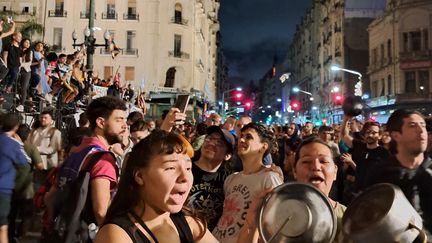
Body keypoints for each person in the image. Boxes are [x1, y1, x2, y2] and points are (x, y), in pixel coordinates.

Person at [95, 130, 218, 242]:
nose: (185, 177)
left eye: (188, 168)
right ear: (140, 176)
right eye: (171, 168)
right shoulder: (115, 235)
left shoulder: (190, 223)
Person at [44, 96, 127, 231]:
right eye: (119, 120)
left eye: (125, 120)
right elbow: (101, 212)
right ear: (100, 122)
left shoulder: (77, 152)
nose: (125, 125)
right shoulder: (103, 159)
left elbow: (50, 198)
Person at [212, 123, 283, 243]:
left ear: (263, 147)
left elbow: (275, 225)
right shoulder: (231, 179)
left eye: (249, 137)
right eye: (241, 136)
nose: (242, 140)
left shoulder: (270, 178)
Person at [366, 109, 432, 234]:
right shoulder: (380, 174)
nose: (421, 130)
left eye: (423, 125)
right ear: (396, 135)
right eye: (412, 125)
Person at [188, 126, 235, 231]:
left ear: (227, 155)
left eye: (219, 143)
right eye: (209, 138)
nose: (211, 143)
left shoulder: (229, 180)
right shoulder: (185, 168)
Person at [0, 113, 30, 243]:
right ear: (16, 127)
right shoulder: (13, 145)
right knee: (3, 227)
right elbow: (25, 162)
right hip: (4, 190)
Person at [28, 109, 63, 189]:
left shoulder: (55, 132)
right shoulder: (35, 131)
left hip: (48, 165)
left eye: (45, 118)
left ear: (51, 120)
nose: (43, 119)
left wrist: (36, 149)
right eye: (42, 117)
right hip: (35, 164)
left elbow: (52, 149)